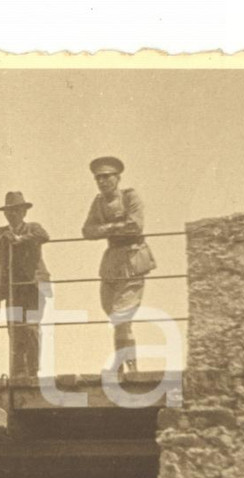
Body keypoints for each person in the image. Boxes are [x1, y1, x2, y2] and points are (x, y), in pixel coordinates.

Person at [81, 156, 156, 377]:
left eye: (107, 177)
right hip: (112, 262)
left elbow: (135, 226)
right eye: (98, 178)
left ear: (117, 178)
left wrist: (105, 228)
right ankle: (123, 364)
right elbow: (87, 231)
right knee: (113, 314)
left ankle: (128, 367)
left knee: (122, 315)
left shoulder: (130, 197)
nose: (102, 182)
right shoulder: (98, 203)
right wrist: (114, 228)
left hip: (133, 259)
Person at [0, 191, 51, 378]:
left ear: (23, 212)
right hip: (13, 289)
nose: (12, 214)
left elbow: (43, 236)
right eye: (9, 211)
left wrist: (20, 239)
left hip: (34, 286)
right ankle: (18, 372)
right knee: (15, 329)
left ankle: (32, 371)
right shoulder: (1, 232)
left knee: (31, 327)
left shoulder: (33, 228)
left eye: (16, 211)